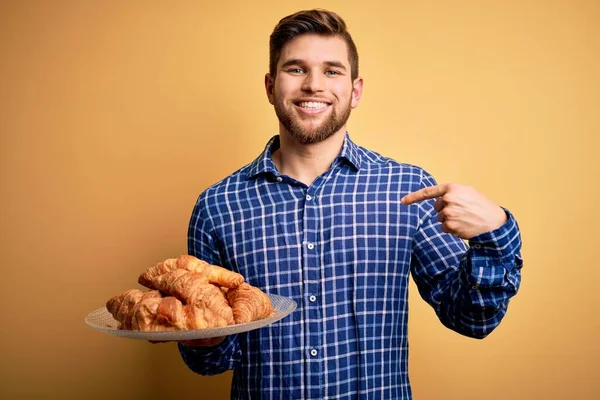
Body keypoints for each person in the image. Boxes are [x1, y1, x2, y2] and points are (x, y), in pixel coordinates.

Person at [176, 9, 523, 399]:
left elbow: (472, 319)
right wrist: (201, 337)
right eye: (296, 69)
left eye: (332, 71)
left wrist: (495, 233)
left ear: (355, 90)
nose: (313, 85)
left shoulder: (406, 189)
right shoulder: (218, 206)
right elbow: (210, 363)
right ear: (271, 87)